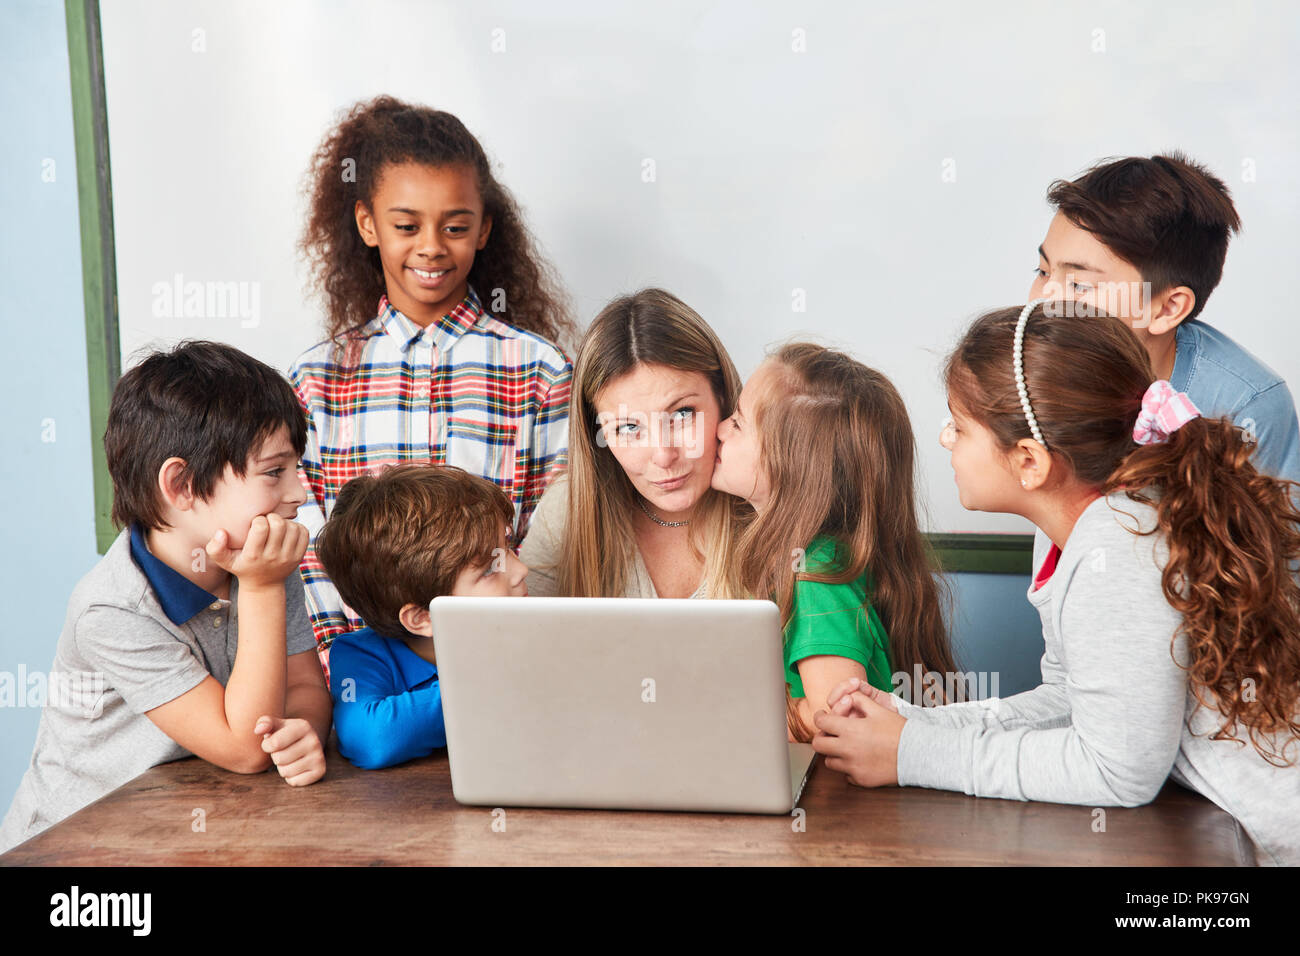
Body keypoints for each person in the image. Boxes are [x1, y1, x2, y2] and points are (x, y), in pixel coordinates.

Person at [814, 302, 1300, 866]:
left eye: (960, 425)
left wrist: (913, 754)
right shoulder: (1097, 529)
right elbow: (1072, 700)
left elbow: (1116, 772)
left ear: (1029, 462)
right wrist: (914, 721)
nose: (947, 439)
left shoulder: (1120, 544)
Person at [0, 342, 331, 853]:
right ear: (181, 485)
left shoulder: (260, 556)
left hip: (186, 824)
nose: (300, 493)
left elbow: (306, 684)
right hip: (76, 849)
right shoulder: (112, 610)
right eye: (274, 472)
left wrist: (301, 733)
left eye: (296, 468)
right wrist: (263, 588)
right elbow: (244, 749)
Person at [292, 95, 574, 673]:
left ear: (484, 228)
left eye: (455, 226)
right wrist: (341, 664)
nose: (431, 246)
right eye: (405, 225)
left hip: (506, 664)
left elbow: (554, 532)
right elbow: (309, 543)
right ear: (368, 224)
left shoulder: (539, 369)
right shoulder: (316, 381)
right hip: (362, 674)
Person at [711, 343, 960, 741]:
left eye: (738, 423)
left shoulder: (815, 572)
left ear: (791, 465)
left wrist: (733, 709)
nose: (720, 428)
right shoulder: (827, 557)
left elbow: (840, 714)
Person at [1028, 151, 1300, 484]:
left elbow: (1266, 534)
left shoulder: (1245, 406)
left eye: (1079, 285)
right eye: (1042, 271)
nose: (1044, 298)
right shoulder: (1027, 368)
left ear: (1168, 308)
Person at [519, 288, 747, 599]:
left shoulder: (768, 506)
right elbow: (516, 639)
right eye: (628, 427)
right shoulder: (567, 510)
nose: (664, 455)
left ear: (721, 396)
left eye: (681, 414)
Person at [314, 464, 527, 770]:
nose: (521, 570)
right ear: (423, 618)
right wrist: (494, 683)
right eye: (490, 569)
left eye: (509, 548)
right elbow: (370, 738)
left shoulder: (529, 633)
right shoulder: (358, 654)